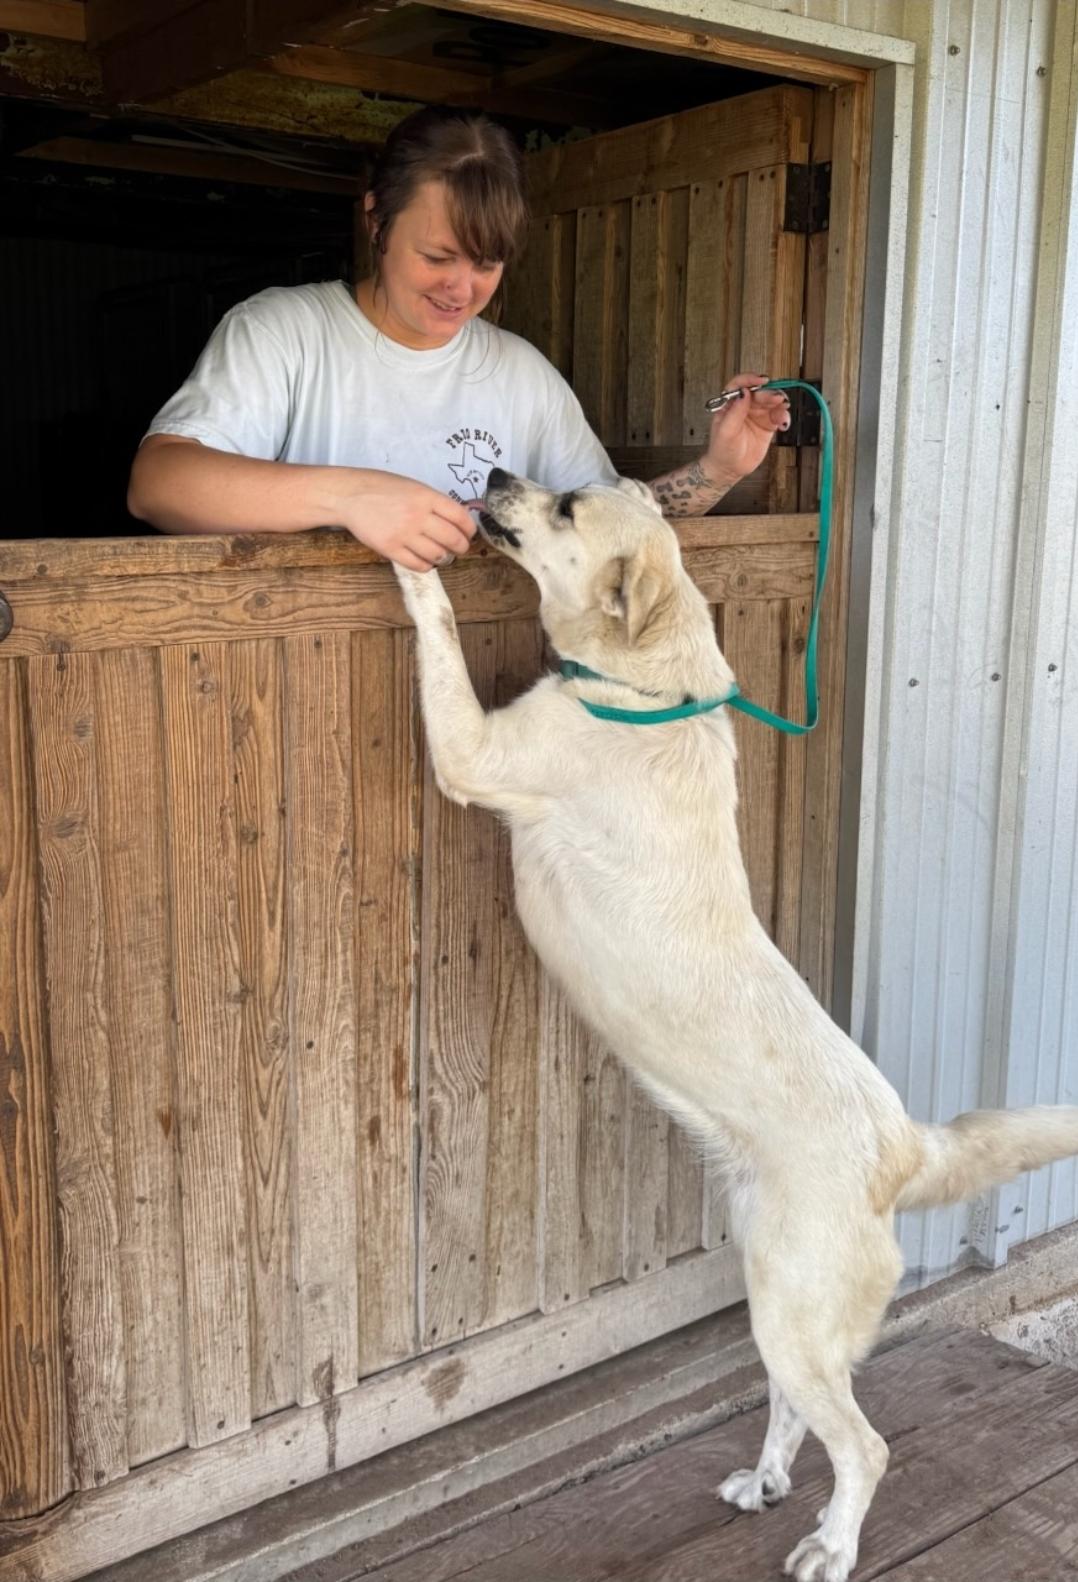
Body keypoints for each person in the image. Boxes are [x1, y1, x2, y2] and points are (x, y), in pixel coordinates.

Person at [127, 106, 790, 570]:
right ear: (376, 222)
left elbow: (612, 531)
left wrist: (721, 470)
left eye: (486, 264)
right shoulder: (283, 333)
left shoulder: (519, 373)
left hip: (484, 708)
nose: (460, 288)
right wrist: (353, 495)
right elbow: (158, 484)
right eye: (438, 256)